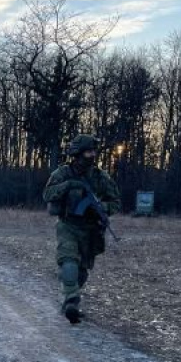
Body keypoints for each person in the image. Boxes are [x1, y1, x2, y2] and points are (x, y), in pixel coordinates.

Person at [43, 135, 120, 324]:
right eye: (88, 152)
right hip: (68, 224)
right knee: (68, 259)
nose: (92, 155)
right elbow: (47, 194)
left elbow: (116, 202)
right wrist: (68, 185)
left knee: (82, 271)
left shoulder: (101, 177)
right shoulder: (62, 174)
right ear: (77, 154)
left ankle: (68, 299)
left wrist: (101, 208)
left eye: (93, 151)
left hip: (91, 229)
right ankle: (72, 300)